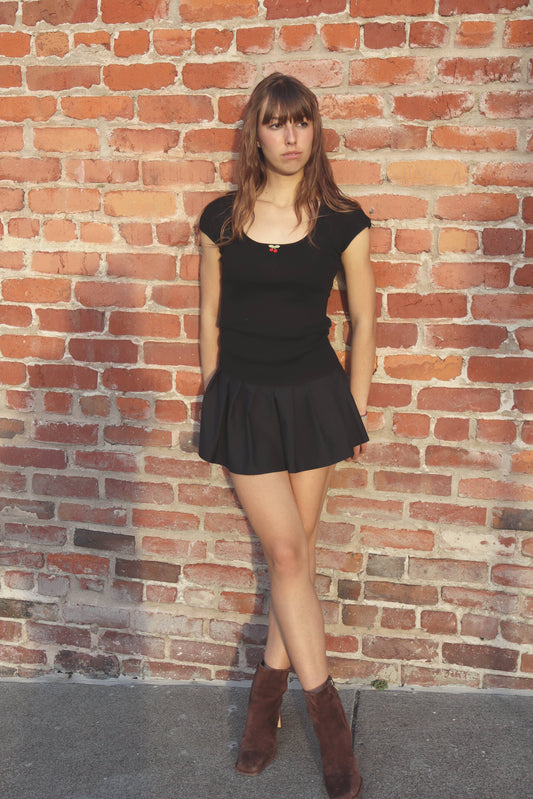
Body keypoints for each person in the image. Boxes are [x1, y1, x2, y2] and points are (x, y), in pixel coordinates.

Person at [197, 72, 376, 799]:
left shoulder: (342, 221)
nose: (290, 136)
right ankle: (331, 727)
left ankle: (264, 700)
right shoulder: (220, 220)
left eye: (301, 121)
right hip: (243, 401)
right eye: (275, 123)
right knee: (287, 552)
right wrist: (212, 397)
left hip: (314, 402)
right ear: (257, 134)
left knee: (292, 558)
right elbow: (209, 318)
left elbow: (364, 321)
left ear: (314, 130)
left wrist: (354, 410)